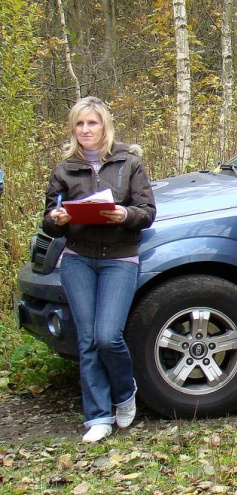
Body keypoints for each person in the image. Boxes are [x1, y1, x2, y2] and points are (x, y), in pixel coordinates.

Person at [42, 96, 156, 443]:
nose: (86, 130)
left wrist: (124, 214)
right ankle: (98, 416)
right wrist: (56, 219)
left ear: (104, 126)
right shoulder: (64, 169)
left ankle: (124, 391)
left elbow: (147, 211)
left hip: (119, 257)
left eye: (92, 123)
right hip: (78, 258)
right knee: (88, 338)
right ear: (73, 129)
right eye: (79, 124)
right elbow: (50, 221)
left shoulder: (128, 162)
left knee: (108, 336)